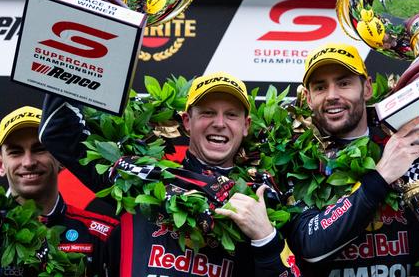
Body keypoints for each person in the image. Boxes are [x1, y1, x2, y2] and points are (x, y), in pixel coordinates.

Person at [39, 72, 300, 276]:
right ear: (187, 121)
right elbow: (59, 132)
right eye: (207, 112)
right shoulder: (140, 177)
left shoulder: (262, 198)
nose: (219, 123)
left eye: (231, 115)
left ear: (246, 126)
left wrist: (266, 238)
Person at [287, 41, 419, 277]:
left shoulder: (408, 140)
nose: (332, 96)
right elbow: (310, 244)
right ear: (309, 98)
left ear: (367, 88)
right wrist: (380, 177)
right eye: (320, 87)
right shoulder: (294, 161)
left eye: (343, 83)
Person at [0, 106, 119, 276]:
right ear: (0, 165)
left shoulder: (103, 234)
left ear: (60, 158)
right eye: (16, 152)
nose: (28, 162)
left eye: (39, 149)